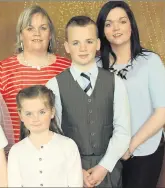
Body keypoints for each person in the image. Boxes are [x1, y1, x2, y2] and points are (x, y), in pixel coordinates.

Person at [46, 16, 131, 187]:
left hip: (108, 170)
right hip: (70, 171)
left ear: (98, 44)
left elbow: (123, 131)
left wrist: (104, 167)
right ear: (67, 47)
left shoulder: (115, 82)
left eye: (89, 41)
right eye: (76, 43)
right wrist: (76, 170)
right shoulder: (54, 86)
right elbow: (53, 134)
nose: (83, 48)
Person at [96, 1, 165, 188]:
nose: (116, 28)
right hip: (106, 153)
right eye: (108, 23)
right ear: (102, 30)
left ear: (131, 26)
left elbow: (162, 112)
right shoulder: (95, 65)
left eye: (122, 21)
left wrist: (131, 146)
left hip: (143, 150)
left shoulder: (150, 61)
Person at [0, 5, 71, 143]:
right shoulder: (2, 70)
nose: (37, 33)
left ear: (50, 34)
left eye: (43, 28)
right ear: (21, 34)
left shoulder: (67, 68)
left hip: (59, 152)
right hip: (16, 153)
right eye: (30, 28)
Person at [7, 85, 83, 187]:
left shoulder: (68, 146)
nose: (35, 118)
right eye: (29, 113)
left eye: (42, 112)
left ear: (52, 112)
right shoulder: (16, 151)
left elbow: (75, 183)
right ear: (20, 115)